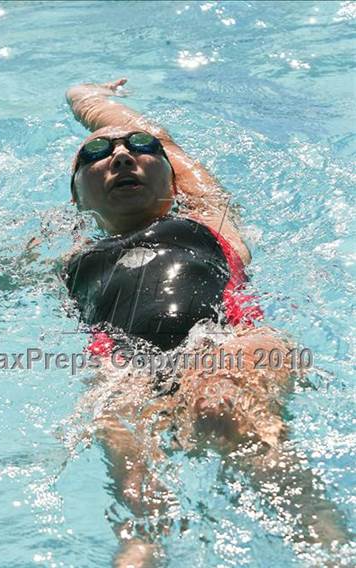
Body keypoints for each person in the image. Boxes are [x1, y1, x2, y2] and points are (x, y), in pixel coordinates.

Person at [64, 79, 350, 567]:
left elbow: (162, 138)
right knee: (135, 490)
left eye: (140, 149)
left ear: (172, 181)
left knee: (221, 408)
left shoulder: (212, 223)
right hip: (123, 371)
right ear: (76, 199)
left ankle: (329, 551)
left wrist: (86, 100)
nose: (123, 157)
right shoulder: (68, 263)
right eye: (96, 153)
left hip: (227, 340)